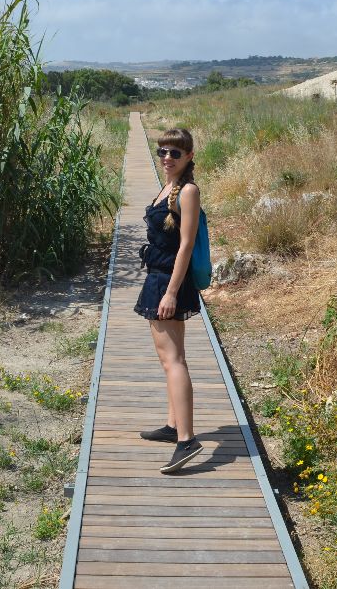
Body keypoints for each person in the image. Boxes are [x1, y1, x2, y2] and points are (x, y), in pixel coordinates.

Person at [134, 127, 205, 474]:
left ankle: (187, 440)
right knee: (174, 359)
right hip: (159, 277)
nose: (167, 158)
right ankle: (173, 425)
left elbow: (186, 245)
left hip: (168, 281)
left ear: (189, 156)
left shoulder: (188, 191)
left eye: (175, 153)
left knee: (172, 360)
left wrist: (171, 293)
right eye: (163, 151)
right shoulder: (168, 186)